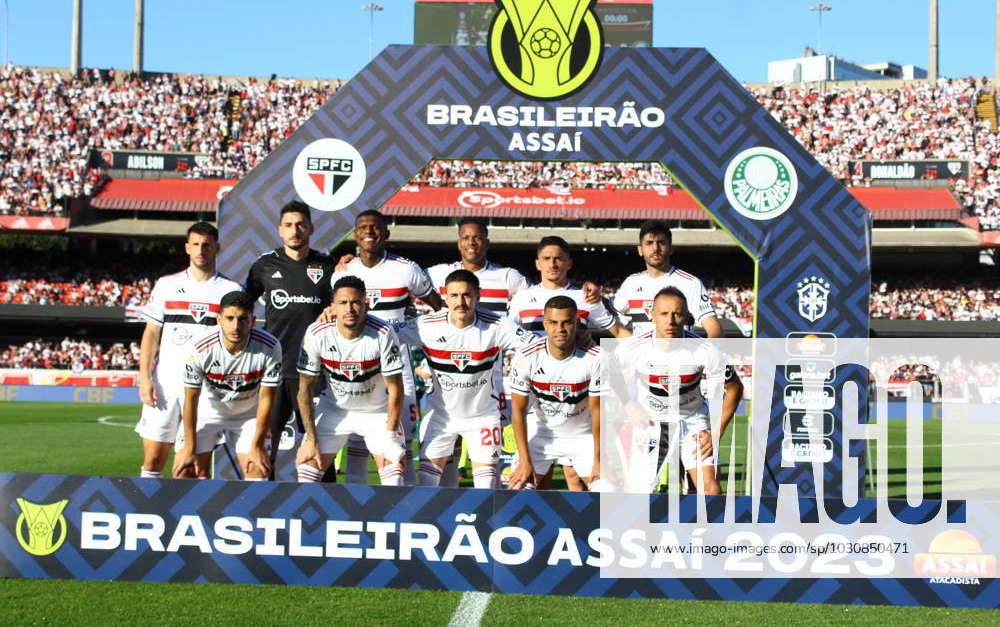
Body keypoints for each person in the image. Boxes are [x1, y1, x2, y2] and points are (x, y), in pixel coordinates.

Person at [330, 209, 443, 485]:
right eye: (362, 227)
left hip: (396, 364)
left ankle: (407, 503)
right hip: (356, 362)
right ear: (355, 234)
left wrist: (420, 336)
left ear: (386, 233)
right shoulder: (344, 272)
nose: (369, 231)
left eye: (375, 227)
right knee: (356, 444)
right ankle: (355, 509)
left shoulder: (407, 269)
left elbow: (440, 310)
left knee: (400, 441)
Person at [393, 269, 533, 488]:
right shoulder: (425, 326)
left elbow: (536, 347)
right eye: (454, 296)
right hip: (441, 417)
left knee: (486, 491)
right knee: (428, 487)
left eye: (467, 295)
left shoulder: (498, 325)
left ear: (478, 296)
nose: (461, 302)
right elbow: (384, 333)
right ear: (445, 297)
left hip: (483, 419)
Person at [426, 217, 529, 486]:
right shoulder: (435, 274)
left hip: (489, 380)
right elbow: (401, 284)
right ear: (458, 242)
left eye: (477, 237)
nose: (471, 242)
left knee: (488, 468)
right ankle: (446, 509)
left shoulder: (509, 277)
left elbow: (533, 309)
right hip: (447, 379)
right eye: (465, 237)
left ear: (487, 241)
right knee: (445, 458)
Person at [134, 222, 241, 479]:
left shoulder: (231, 290)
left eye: (206, 245)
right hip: (166, 386)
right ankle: (149, 513)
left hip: (207, 391)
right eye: (195, 244)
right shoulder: (166, 285)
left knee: (192, 469)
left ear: (217, 248)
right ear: (187, 248)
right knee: (152, 461)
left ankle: (185, 518)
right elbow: (151, 333)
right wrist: (145, 378)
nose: (201, 250)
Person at [616, 287, 743, 494]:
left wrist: (716, 432)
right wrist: (629, 404)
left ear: (686, 316)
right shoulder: (633, 348)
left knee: (710, 490)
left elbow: (735, 388)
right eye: (664, 314)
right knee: (638, 493)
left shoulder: (706, 350)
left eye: (678, 313)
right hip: (651, 422)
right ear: (652, 315)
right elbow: (608, 373)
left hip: (692, 421)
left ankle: (701, 526)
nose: (671, 320)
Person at [244, 200, 336, 478]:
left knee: (317, 447)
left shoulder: (328, 265)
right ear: (279, 231)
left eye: (300, 225)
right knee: (263, 447)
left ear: (311, 229)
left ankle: (325, 509)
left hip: (313, 372)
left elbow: (344, 304)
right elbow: (241, 307)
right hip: (274, 371)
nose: (294, 230)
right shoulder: (263, 265)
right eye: (288, 225)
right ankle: (263, 507)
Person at [295, 276, 407, 485]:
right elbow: (304, 390)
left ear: (366, 304)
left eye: (356, 302)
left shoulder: (383, 332)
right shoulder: (317, 333)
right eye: (343, 303)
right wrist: (310, 439)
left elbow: (396, 389)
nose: (350, 308)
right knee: (306, 469)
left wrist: (391, 435)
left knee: (394, 473)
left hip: (377, 412)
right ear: (333, 307)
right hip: (334, 410)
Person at [172, 291, 282, 480]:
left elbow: (267, 399)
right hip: (206, 412)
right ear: (219, 319)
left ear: (253, 320)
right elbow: (191, 399)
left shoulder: (269, 346)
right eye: (229, 318)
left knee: (257, 468)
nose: (236, 326)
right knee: (185, 471)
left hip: (248, 415)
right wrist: (189, 448)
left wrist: (256, 446)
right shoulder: (200, 348)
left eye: (242, 319)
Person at [507, 296, 608, 491]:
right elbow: (518, 412)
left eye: (567, 322)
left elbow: (599, 413)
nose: (560, 329)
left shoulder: (596, 358)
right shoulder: (526, 357)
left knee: (607, 494)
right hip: (542, 433)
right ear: (545, 324)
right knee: (517, 491)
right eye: (553, 323)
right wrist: (524, 461)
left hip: (583, 436)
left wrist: (599, 459)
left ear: (576, 323)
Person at [613, 220, 722, 338]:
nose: (655, 248)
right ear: (640, 250)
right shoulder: (631, 283)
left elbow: (715, 330)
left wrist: (703, 354)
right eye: (649, 243)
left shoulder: (690, 283)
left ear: (670, 248)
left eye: (661, 243)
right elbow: (608, 313)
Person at [508, 236, 631, 339]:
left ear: (569, 264)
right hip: (532, 368)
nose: (552, 264)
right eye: (546, 259)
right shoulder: (522, 298)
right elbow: (506, 335)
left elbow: (618, 333)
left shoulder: (586, 297)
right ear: (538, 264)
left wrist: (646, 354)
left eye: (558, 259)